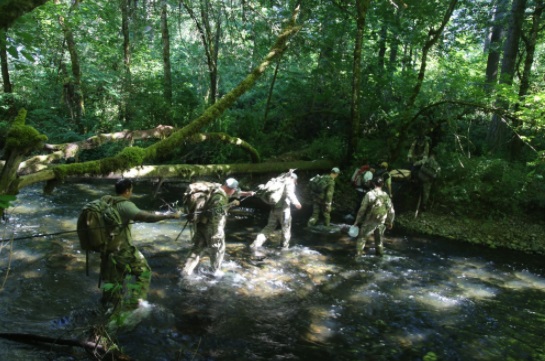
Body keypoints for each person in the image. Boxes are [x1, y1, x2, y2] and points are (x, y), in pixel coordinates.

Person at [100, 179, 181, 310]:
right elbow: (147, 218)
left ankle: (107, 311)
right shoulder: (126, 205)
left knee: (113, 284)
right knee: (144, 272)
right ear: (127, 191)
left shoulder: (106, 201)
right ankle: (135, 305)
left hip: (106, 250)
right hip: (122, 250)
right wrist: (169, 216)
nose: (131, 192)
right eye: (131, 190)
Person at [182, 178, 252, 276]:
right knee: (218, 249)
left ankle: (186, 270)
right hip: (212, 228)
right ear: (230, 189)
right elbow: (215, 214)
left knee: (197, 249)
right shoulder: (220, 198)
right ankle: (215, 271)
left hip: (201, 225)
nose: (234, 192)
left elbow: (236, 193)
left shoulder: (217, 188)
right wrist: (231, 204)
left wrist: (247, 193)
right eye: (233, 190)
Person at [250, 172, 302, 249]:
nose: (295, 182)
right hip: (284, 210)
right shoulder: (289, 182)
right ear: (293, 179)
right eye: (295, 181)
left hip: (273, 209)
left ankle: (256, 244)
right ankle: (284, 248)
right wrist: (296, 203)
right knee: (286, 229)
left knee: (269, 227)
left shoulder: (278, 181)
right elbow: (289, 193)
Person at [353, 177, 395, 256]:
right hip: (381, 221)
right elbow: (391, 210)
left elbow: (362, 209)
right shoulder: (386, 195)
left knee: (362, 238)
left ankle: (358, 256)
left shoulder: (369, 194)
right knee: (379, 241)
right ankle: (380, 256)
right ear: (382, 185)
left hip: (370, 220)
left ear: (373, 184)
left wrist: (357, 221)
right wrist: (390, 221)